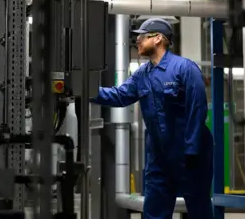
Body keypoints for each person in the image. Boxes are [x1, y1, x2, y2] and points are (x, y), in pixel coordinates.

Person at [91, 18, 214, 219]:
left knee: (199, 211)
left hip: (190, 156)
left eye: (141, 36)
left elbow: (197, 109)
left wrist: (191, 148)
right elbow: (120, 95)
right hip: (159, 158)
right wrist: (85, 89)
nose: (137, 40)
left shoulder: (185, 69)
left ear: (157, 38)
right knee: (154, 213)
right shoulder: (142, 75)